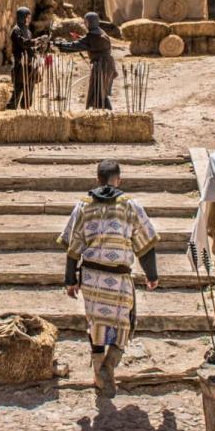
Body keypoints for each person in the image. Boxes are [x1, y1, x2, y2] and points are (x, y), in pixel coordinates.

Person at [58, 160, 160, 398]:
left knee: (95, 324)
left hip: (91, 277)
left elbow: (73, 246)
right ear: (119, 180)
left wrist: (70, 279)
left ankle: (99, 376)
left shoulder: (83, 206)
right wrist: (152, 275)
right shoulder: (131, 206)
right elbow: (145, 245)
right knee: (127, 322)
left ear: (97, 179)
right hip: (119, 276)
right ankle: (109, 366)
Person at [54, 12, 117, 110]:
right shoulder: (101, 32)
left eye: (86, 22)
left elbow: (76, 46)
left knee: (99, 92)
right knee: (100, 92)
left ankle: (108, 113)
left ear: (91, 22)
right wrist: (80, 38)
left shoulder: (92, 37)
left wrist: (59, 44)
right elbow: (90, 43)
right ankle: (103, 113)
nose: (85, 24)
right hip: (107, 65)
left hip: (101, 66)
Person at [6, 6, 38, 110]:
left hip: (29, 65)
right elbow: (23, 43)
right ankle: (10, 112)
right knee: (18, 89)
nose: (29, 19)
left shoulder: (28, 31)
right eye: (27, 17)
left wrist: (39, 46)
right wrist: (35, 41)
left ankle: (25, 111)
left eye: (29, 17)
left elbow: (31, 47)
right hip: (20, 65)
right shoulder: (16, 31)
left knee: (29, 89)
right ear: (22, 17)